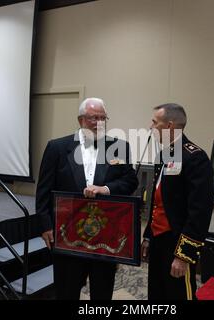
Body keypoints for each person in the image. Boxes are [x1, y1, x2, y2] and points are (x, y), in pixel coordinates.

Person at [36, 97, 138, 300]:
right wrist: (45, 226)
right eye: (93, 117)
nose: (99, 122)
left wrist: (106, 189)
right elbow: (44, 189)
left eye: (103, 118)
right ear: (81, 119)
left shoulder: (120, 146)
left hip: (106, 235)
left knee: (102, 289)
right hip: (68, 233)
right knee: (67, 288)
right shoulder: (57, 147)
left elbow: (130, 182)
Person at [141, 103, 214, 300]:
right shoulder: (163, 154)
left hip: (177, 242)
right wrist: (148, 235)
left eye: (155, 122)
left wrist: (184, 255)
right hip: (158, 239)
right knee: (157, 292)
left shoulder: (195, 158)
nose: (151, 126)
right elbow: (158, 202)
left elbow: (200, 212)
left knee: (179, 293)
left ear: (170, 126)